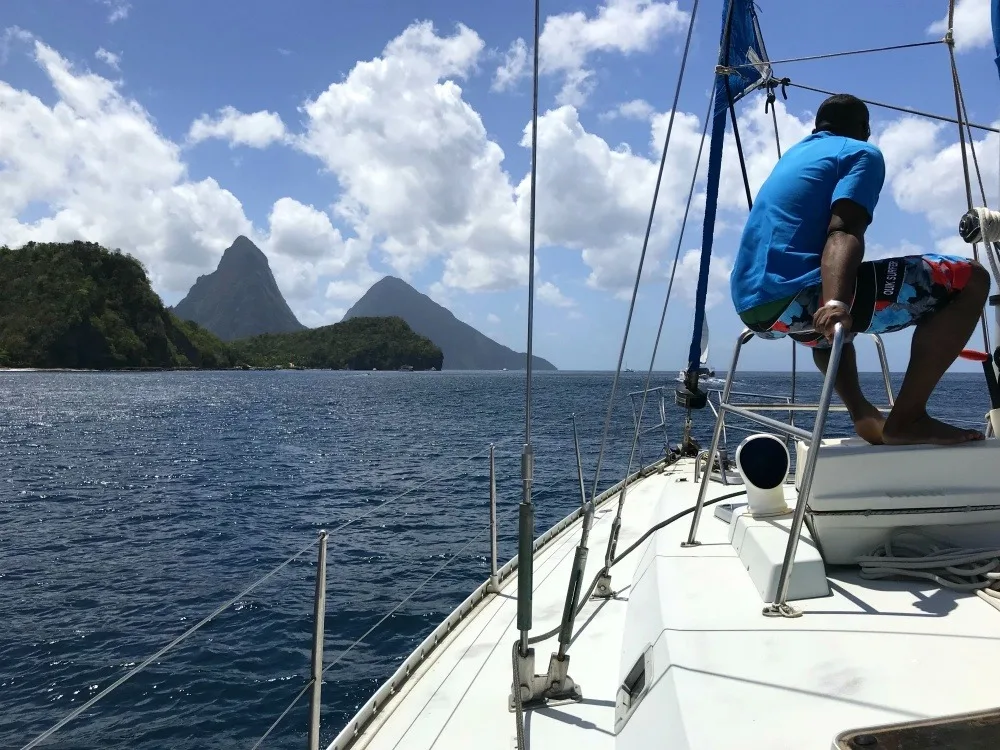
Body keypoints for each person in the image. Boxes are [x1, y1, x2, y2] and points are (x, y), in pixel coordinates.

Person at [730, 93, 990, 446]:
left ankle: (862, 412)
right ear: (864, 128)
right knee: (970, 278)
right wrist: (835, 303)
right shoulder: (860, 153)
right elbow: (844, 229)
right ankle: (908, 419)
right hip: (797, 295)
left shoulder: (794, 156)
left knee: (833, 307)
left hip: (755, 306)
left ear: (817, 127)